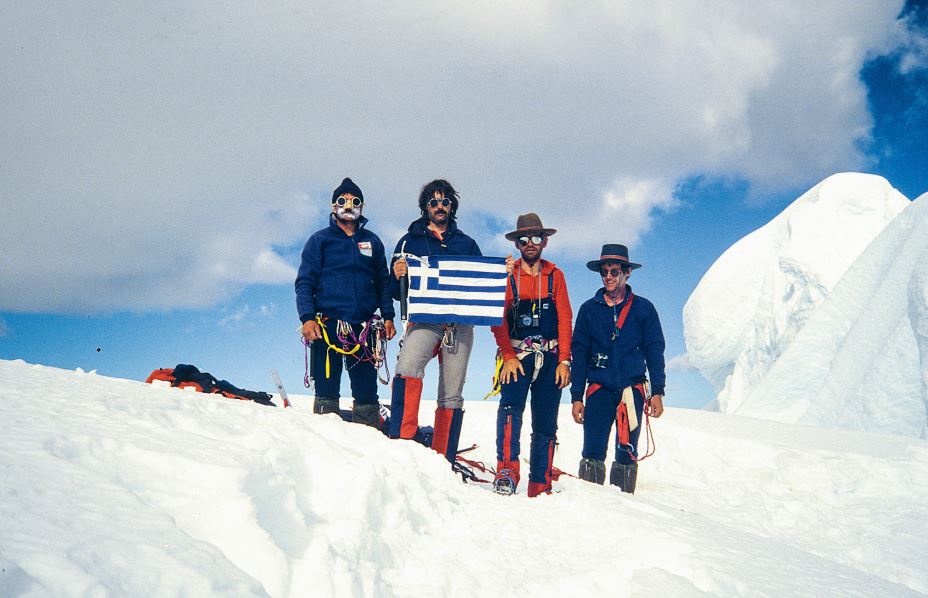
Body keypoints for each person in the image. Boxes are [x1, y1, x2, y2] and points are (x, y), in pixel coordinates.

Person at [388, 179, 481, 464]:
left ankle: (444, 458)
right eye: (433, 202)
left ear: (452, 206)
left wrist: (502, 273)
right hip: (425, 320)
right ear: (425, 207)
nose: (439, 207)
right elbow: (394, 292)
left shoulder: (467, 244)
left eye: (445, 202)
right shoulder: (409, 241)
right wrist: (397, 275)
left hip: (459, 324)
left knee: (451, 392)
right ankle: (402, 443)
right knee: (407, 368)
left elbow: (480, 283)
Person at [295, 177, 396, 426]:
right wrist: (307, 318)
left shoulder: (373, 241)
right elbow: (305, 282)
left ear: (362, 206)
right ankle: (325, 440)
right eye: (342, 201)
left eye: (355, 201)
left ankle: (369, 438)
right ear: (333, 206)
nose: (348, 205)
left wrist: (388, 316)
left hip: (364, 328)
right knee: (326, 390)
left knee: (367, 392)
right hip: (327, 325)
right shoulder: (319, 240)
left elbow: (383, 282)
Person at [570, 243, 665, 493]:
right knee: (592, 453)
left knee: (626, 454)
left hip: (631, 392)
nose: (608, 276)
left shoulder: (644, 309)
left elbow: (655, 351)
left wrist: (658, 391)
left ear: (627, 272)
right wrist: (576, 397)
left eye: (614, 271)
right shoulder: (588, 310)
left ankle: (625, 508)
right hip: (598, 390)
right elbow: (579, 354)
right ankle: (591, 505)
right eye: (604, 271)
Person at [490, 213, 573, 497]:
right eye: (523, 239)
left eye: (536, 237)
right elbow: (497, 319)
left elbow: (564, 319)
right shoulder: (508, 276)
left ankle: (540, 481)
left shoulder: (555, 275)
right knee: (510, 409)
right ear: (517, 243)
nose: (530, 243)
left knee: (546, 419)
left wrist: (564, 360)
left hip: (551, 356)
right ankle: (506, 472)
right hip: (517, 355)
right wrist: (508, 355)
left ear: (544, 241)